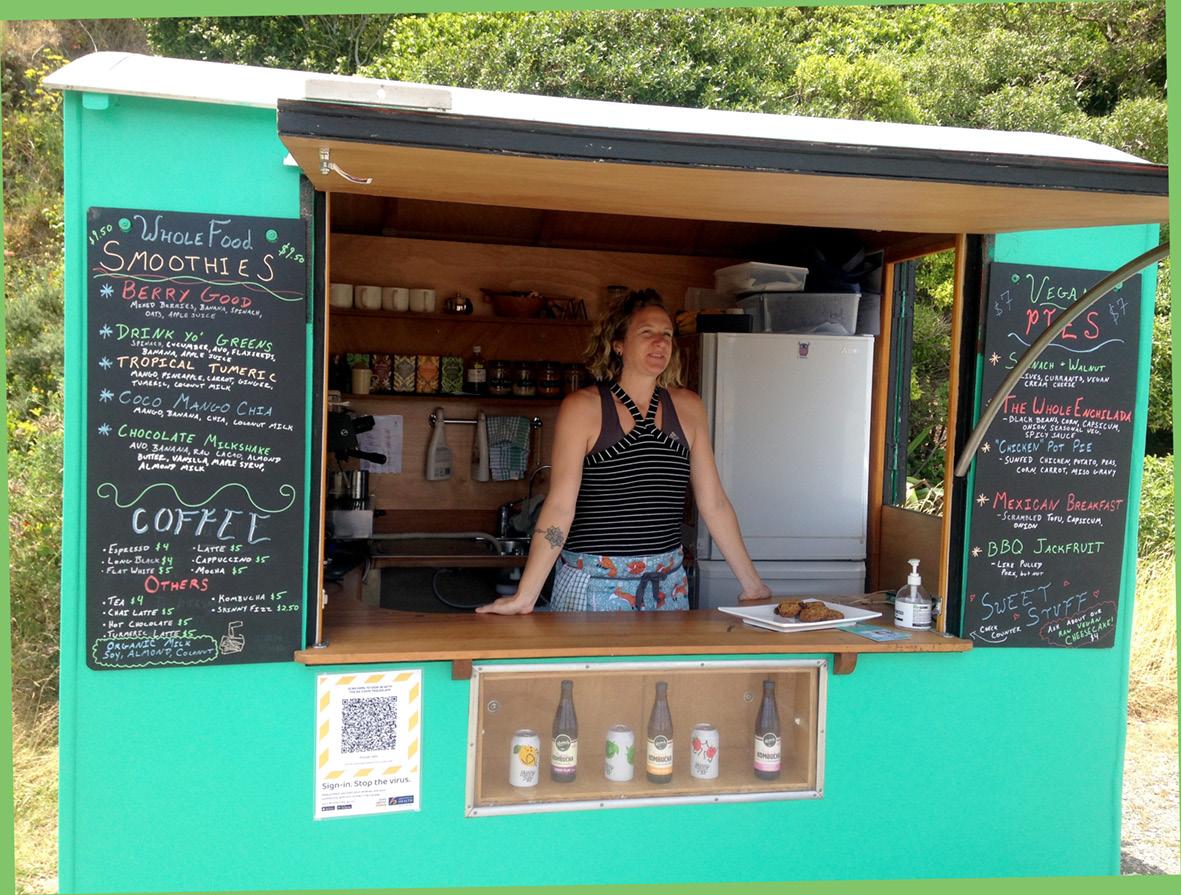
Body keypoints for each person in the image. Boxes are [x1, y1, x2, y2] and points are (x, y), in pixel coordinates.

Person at [476, 289, 771, 614]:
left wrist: (752, 584)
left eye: (667, 334)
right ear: (618, 344)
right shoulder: (583, 408)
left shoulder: (689, 407)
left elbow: (714, 503)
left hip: (668, 588)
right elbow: (560, 507)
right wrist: (526, 596)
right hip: (592, 586)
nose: (660, 342)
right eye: (647, 333)